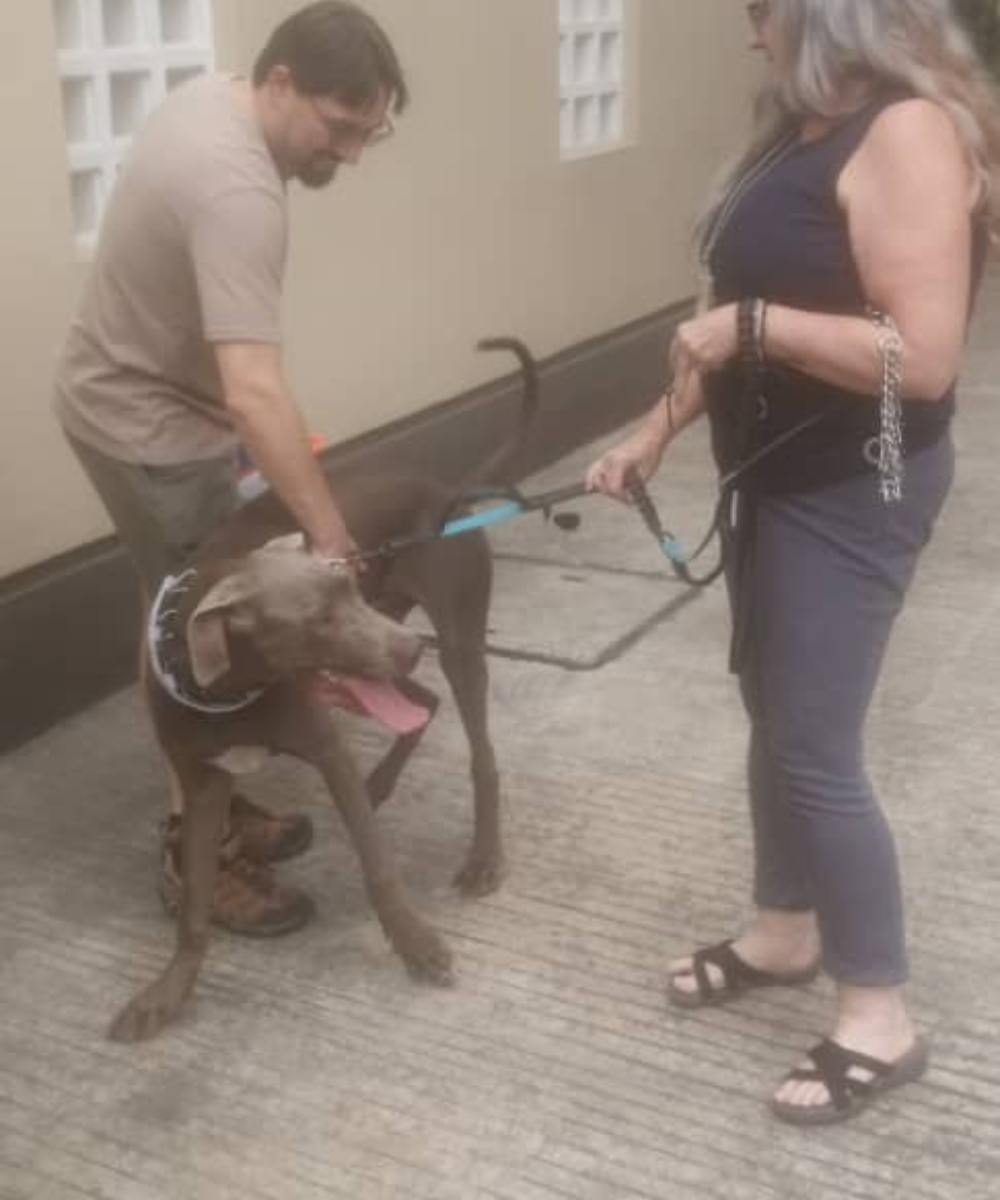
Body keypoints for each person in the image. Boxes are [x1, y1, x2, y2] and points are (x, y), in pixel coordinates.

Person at [587, 0, 999, 1124]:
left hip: (853, 488)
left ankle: (879, 1013)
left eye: (761, 10)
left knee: (815, 744)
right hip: (768, 476)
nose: (745, 30)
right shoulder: (793, 133)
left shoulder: (907, 133)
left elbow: (918, 360)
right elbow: (719, 323)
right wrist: (650, 431)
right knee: (772, 713)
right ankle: (782, 931)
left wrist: (755, 329)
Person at [53, 1, 408, 937]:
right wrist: (330, 538)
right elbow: (255, 388)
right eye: (341, 126)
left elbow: (236, 378)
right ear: (281, 82)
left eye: (369, 132)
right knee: (199, 647)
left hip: (117, 402)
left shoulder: (212, 96)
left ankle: (217, 801)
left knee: (170, 610)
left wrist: (259, 447)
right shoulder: (238, 188)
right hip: (150, 432)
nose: (352, 152)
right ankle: (195, 850)